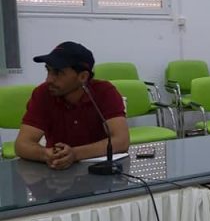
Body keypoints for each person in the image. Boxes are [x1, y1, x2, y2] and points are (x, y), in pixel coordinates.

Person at [15, 41, 129, 170]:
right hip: (57, 171)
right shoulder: (43, 93)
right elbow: (22, 145)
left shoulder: (104, 92)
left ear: (83, 77)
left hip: (99, 169)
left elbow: (121, 141)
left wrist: (74, 154)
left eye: (57, 73)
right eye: (48, 70)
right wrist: (46, 154)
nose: (49, 80)